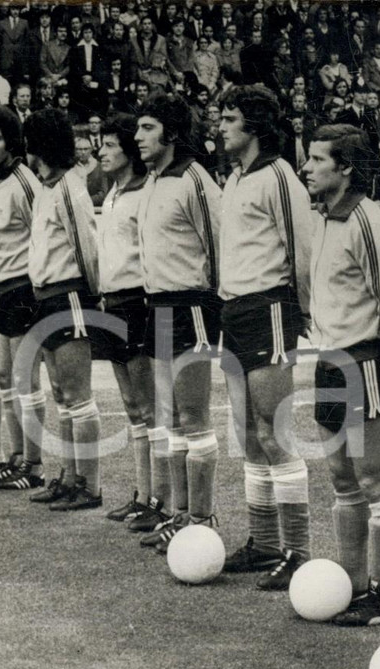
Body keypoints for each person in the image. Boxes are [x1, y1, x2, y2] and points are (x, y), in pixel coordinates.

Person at [300, 124, 380, 625]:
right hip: (328, 359)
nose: (307, 167)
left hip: (365, 360)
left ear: (345, 167)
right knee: (342, 479)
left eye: (318, 160)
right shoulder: (321, 217)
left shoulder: (367, 219)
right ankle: (352, 585)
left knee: (375, 480)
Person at [217, 85, 315, 590]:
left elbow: (301, 248)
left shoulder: (280, 177)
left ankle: (298, 551)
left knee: (274, 430)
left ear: (253, 125)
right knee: (247, 433)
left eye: (230, 118)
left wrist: (303, 310)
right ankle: (263, 542)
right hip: (233, 310)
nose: (222, 126)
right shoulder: (234, 178)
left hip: (270, 307)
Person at [134, 93, 222, 552]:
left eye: (147, 128)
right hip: (159, 305)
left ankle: (202, 520)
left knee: (194, 415)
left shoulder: (194, 179)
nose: (137, 137)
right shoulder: (154, 181)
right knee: (170, 415)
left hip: (191, 305)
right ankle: (179, 514)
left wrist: (215, 303)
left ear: (169, 132)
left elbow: (219, 244)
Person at [23, 108, 103, 511]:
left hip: (70, 296)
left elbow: (87, 247)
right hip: (47, 297)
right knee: (61, 394)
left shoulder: (72, 188)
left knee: (78, 395)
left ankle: (88, 484)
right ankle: (70, 477)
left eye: (30, 146)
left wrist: (91, 298)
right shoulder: (48, 188)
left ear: (42, 148)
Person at [92, 112, 165, 530]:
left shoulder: (144, 194)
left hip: (137, 303)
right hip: (112, 303)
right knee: (133, 407)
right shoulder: (114, 194)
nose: (101, 151)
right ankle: (142, 494)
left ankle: (158, 498)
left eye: (110, 145)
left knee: (149, 406)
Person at [0, 106, 46, 489]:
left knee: (24, 379)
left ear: (11, 142)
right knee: (3, 375)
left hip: (24, 288)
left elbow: (44, 233)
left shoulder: (24, 180)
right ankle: (17, 456)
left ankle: (33, 467)